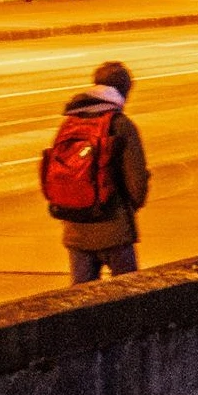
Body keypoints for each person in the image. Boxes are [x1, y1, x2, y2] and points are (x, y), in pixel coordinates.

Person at [40, 61, 151, 283]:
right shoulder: (120, 125)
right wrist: (127, 207)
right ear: (124, 92)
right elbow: (137, 184)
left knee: (81, 302)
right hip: (114, 229)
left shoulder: (71, 122)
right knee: (130, 296)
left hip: (76, 230)